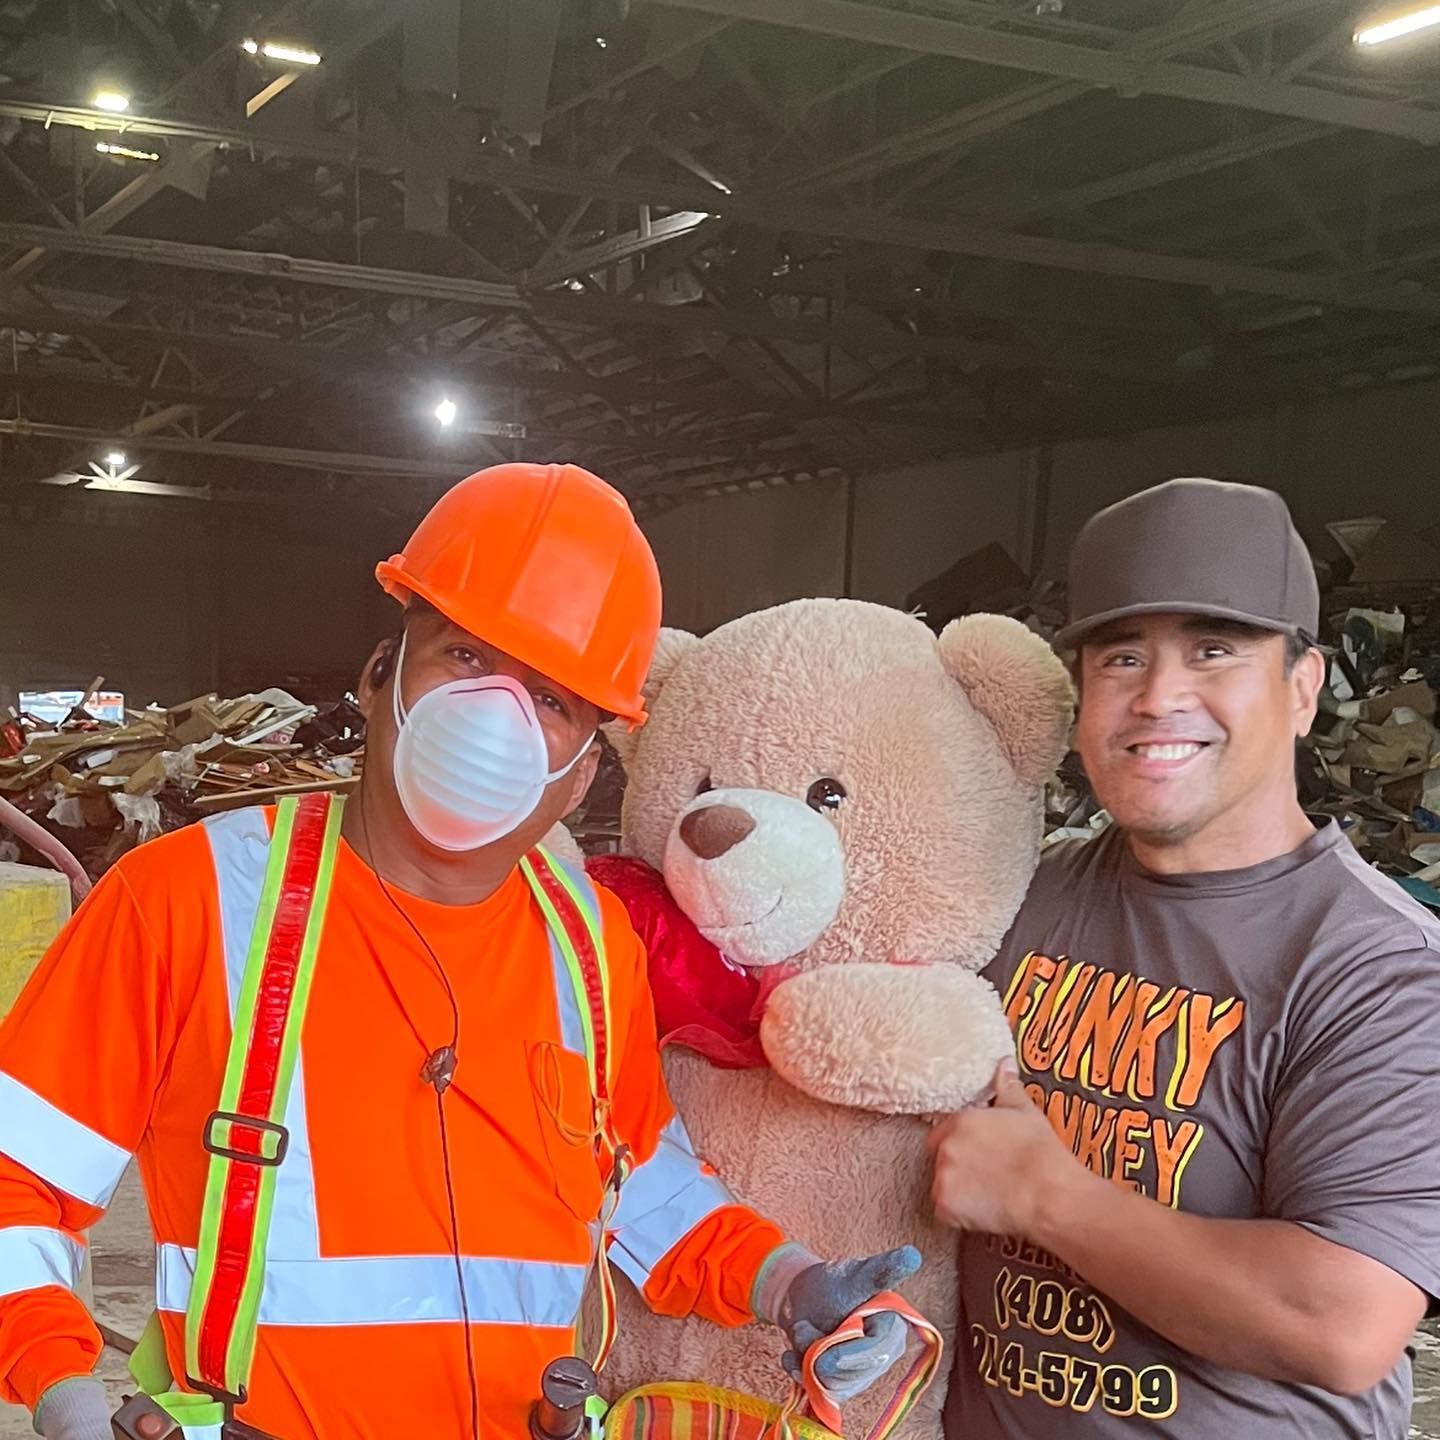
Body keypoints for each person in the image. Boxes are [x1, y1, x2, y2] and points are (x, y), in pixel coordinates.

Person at [0, 463, 917, 1440]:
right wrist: (66, 1404)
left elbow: (641, 1183)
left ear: (580, 777)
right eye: (467, 658)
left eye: (553, 701)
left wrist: (791, 1283)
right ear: (379, 675)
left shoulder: (589, 946)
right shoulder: (188, 904)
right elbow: (14, 1187)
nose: (498, 723)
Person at [930, 477, 1440, 1438]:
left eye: (1215, 651)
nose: (1159, 697)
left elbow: (1340, 1322)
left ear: (1301, 687)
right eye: (1122, 657)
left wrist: (1047, 1197)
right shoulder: (1023, 894)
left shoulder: (1380, 971)